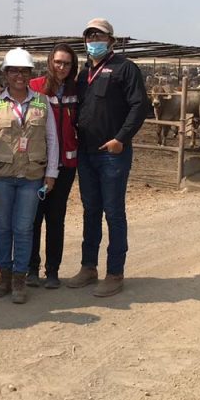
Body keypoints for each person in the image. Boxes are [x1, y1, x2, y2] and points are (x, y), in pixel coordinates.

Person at [65, 18, 148, 297]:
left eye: (99, 37)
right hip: (86, 153)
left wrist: (120, 139)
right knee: (91, 211)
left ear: (111, 40)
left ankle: (115, 272)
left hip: (112, 153)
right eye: (89, 37)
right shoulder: (84, 73)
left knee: (113, 212)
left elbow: (139, 107)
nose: (93, 42)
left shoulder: (125, 69)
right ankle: (88, 267)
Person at [0, 48, 58, 304]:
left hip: (31, 175)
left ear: (30, 73)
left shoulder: (41, 102)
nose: (19, 76)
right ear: (6, 74)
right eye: (14, 71)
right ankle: (4, 274)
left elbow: (52, 139)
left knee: (23, 228)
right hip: (1, 176)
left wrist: (51, 173)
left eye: (24, 71)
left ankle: (19, 278)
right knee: (3, 227)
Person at [27, 44, 79, 290]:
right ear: (50, 62)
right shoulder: (35, 87)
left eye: (67, 63)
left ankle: (53, 271)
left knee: (56, 218)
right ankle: (31, 269)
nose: (61, 67)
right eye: (58, 62)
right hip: (38, 166)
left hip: (65, 166)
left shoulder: (75, 90)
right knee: (34, 218)